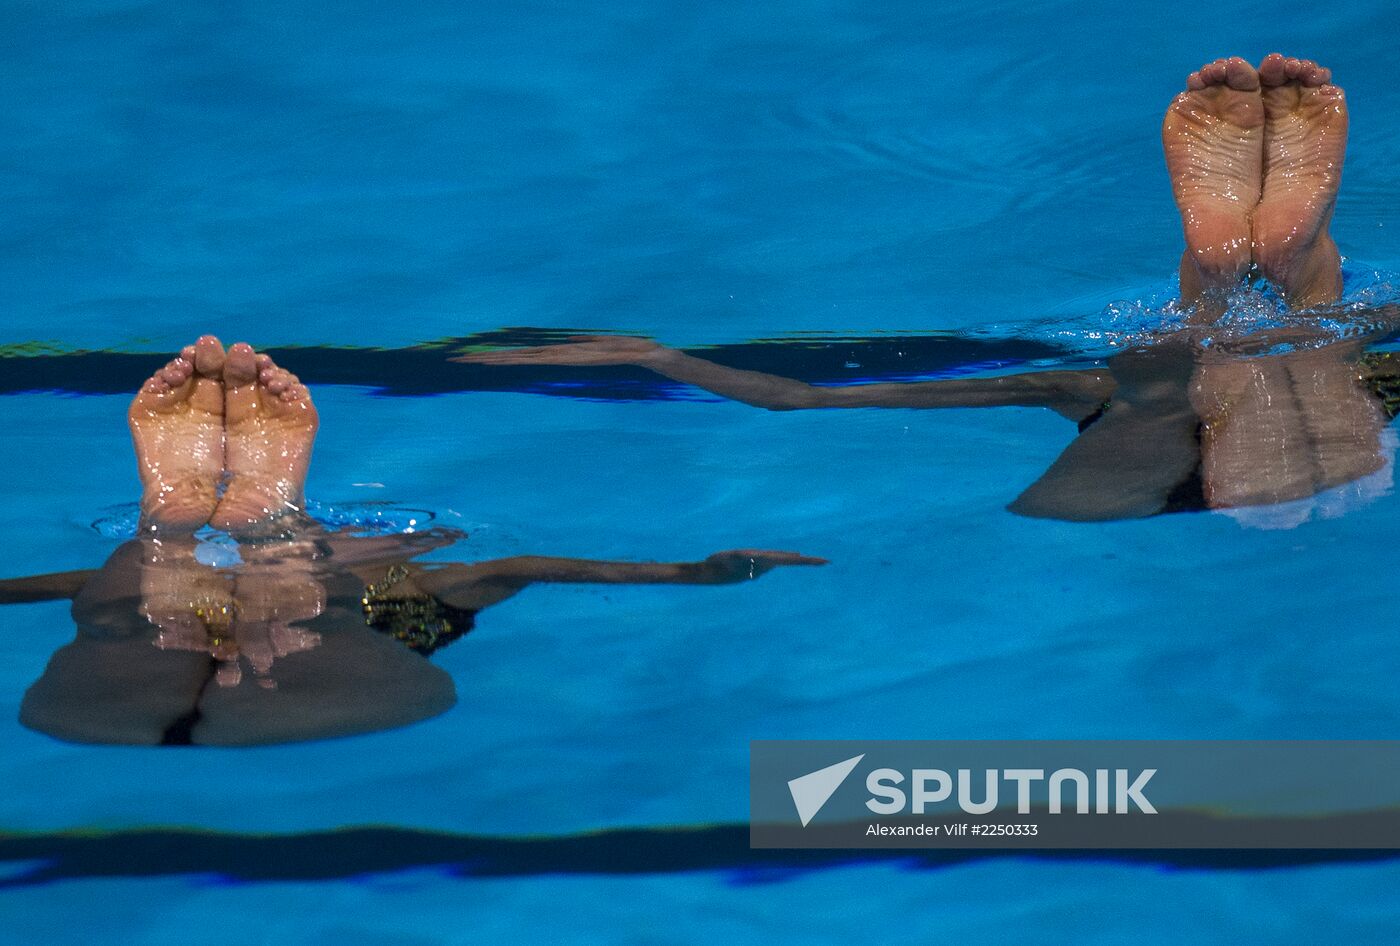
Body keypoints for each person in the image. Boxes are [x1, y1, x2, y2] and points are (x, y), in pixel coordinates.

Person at [456, 54, 1400, 524]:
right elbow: (803, 399)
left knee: (1208, 356)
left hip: (1150, 447)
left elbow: (805, 398)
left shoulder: (1082, 381)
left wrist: (656, 356)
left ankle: (1226, 274)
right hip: (1324, 420)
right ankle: (1296, 264)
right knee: (1320, 359)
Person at [0, 338, 824, 745]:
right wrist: (697, 574)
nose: (348, 535)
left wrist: (697, 575)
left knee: (134, 598)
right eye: (326, 531)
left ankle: (177, 520)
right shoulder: (408, 588)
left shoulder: (410, 595)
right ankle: (218, 522)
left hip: (119, 703)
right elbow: (534, 565)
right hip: (323, 693)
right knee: (214, 598)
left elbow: (525, 566)